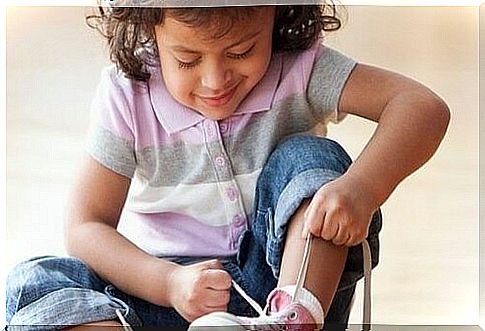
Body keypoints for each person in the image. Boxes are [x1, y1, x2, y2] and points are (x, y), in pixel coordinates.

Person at [5, 3, 450, 331]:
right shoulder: (129, 95)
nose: (215, 81)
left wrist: (362, 188)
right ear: (148, 28)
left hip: (284, 285)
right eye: (187, 60)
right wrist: (170, 284)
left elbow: (420, 106)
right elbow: (86, 225)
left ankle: (292, 320)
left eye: (241, 52)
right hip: (174, 297)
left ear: (277, 15)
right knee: (36, 282)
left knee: (309, 160)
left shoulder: (299, 71)